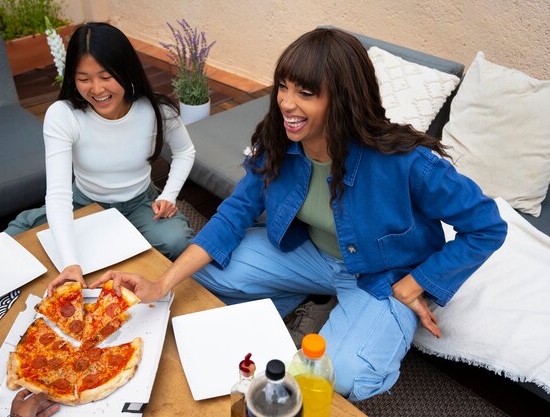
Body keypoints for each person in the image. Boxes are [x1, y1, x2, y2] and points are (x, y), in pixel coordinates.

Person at [82, 28, 508, 400]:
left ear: (342, 99)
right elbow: (234, 215)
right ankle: (295, 297)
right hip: (307, 255)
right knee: (196, 279)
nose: (286, 103)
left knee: (345, 375)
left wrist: (416, 284)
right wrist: (160, 284)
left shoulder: (407, 162)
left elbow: (487, 227)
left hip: (380, 278)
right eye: (283, 86)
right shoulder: (277, 144)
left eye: (306, 93)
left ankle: (319, 308)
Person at [7, 22, 195, 287]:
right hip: (83, 201)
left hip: (140, 202)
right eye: (84, 79)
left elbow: (185, 151)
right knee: (14, 238)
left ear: (127, 70)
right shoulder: (63, 115)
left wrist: (168, 194)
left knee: (178, 242)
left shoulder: (155, 109)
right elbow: (59, 194)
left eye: (106, 77)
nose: (96, 89)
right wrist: (71, 264)